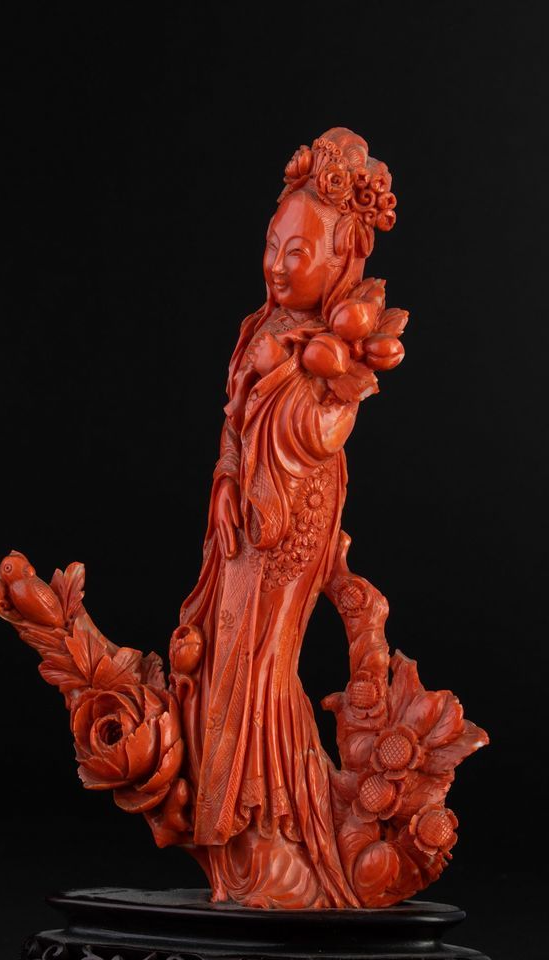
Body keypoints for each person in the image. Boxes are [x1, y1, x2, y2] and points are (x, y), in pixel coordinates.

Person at [175, 128, 399, 907]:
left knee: (264, 664)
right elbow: (234, 424)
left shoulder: (340, 345)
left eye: (297, 253)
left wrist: (317, 372)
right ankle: (233, 843)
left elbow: (323, 434)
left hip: (293, 519)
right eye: (273, 246)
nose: (276, 265)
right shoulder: (258, 329)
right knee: (219, 660)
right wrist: (227, 477)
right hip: (239, 527)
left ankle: (269, 825)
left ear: (343, 261)